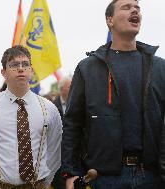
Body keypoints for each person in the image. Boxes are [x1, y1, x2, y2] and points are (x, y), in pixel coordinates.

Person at [61, 0, 165, 189]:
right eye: (126, 7)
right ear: (110, 20)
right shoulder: (88, 68)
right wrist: (70, 173)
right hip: (103, 177)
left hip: (152, 176)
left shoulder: (159, 67)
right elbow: (73, 123)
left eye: (137, 8)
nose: (134, 10)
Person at [0, 45, 62, 189]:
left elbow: (54, 152)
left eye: (25, 64)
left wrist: (44, 182)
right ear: (3, 72)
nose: (20, 68)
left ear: (31, 70)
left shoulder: (48, 108)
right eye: (13, 65)